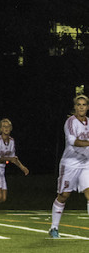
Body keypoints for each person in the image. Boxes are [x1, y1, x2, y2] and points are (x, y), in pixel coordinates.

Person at [48, 91, 89, 238]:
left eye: (84, 105)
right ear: (75, 107)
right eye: (79, 105)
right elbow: (73, 141)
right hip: (70, 164)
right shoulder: (70, 122)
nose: (81, 107)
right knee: (64, 195)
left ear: (87, 107)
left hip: (86, 163)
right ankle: (54, 227)